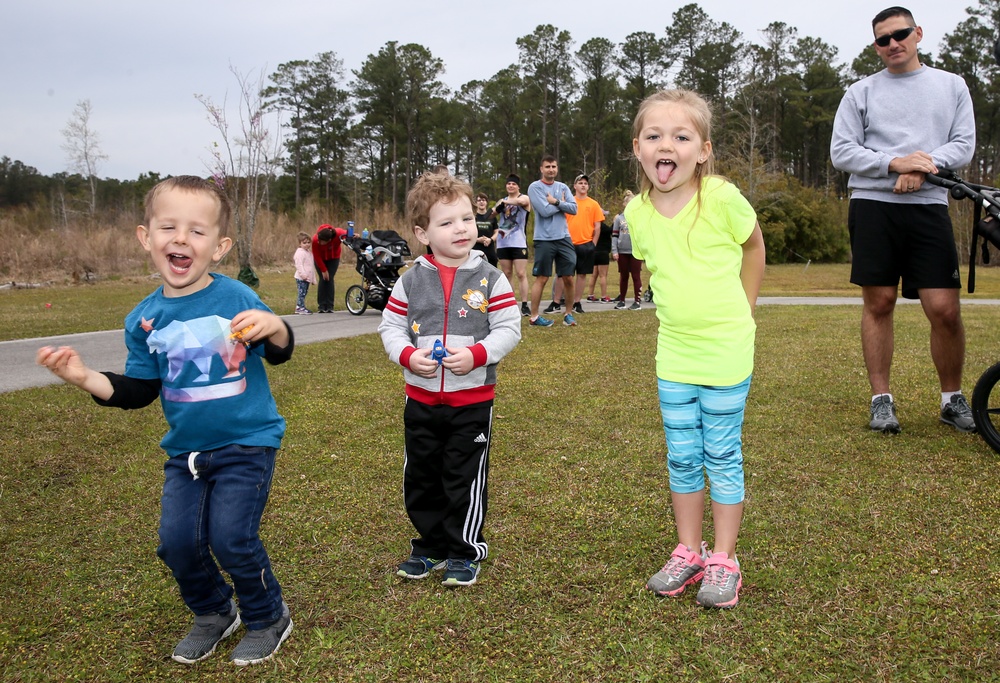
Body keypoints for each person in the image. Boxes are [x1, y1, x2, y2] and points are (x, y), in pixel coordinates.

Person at [35, 175, 295, 664]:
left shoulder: (237, 297)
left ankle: (267, 616)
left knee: (232, 538)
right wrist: (84, 376)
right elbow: (138, 391)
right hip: (186, 453)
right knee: (176, 544)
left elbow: (279, 352)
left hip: (246, 442)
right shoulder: (142, 318)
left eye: (197, 231)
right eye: (169, 227)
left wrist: (276, 326)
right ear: (145, 236)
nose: (181, 238)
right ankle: (214, 612)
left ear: (219, 248)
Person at [627, 90, 765, 609]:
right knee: (682, 457)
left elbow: (754, 247)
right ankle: (688, 551)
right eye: (655, 136)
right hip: (675, 354)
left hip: (727, 351)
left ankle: (724, 560)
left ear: (702, 150)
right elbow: (655, 268)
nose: (668, 146)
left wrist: (746, 310)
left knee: (722, 454)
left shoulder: (723, 197)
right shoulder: (636, 213)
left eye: (681, 137)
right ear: (638, 147)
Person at [830, 6, 976, 434]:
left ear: (918, 34)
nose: (893, 44)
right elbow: (842, 152)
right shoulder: (861, 92)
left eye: (901, 34)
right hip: (874, 205)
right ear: (875, 46)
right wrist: (896, 163)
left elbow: (963, 144)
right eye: (882, 39)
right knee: (880, 303)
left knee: (944, 309)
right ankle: (882, 402)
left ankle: (952, 400)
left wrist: (921, 168)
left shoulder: (951, 86)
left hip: (929, 206)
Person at [378, 171, 521, 588]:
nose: (461, 228)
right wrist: (407, 355)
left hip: (471, 401)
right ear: (423, 233)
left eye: (465, 218)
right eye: (447, 222)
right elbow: (390, 327)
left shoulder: (491, 277)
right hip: (420, 400)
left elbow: (509, 328)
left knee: (464, 477)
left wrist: (477, 354)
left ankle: (464, 551)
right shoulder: (410, 280)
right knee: (421, 475)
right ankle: (430, 546)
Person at [527, 155, 578, 327]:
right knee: (542, 278)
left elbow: (574, 209)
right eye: (547, 166)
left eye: (554, 166)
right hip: (544, 239)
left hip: (564, 237)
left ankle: (568, 314)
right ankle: (534, 316)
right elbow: (544, 210)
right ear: (541, 169)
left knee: (569, 277)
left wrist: (555, 201)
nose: (551, 169)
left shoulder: (562, 187)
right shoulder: (535, 187)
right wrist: (561, 204)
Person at [556, 174, 604, 315]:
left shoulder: (593, 204)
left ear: (588, 187)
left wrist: (593, 244)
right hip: (567, 243)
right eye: (580, 183)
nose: (583, 185)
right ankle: (557, 302)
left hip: (586, 244)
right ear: (575, 186)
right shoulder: (569, 203)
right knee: (563, 274)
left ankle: (577, 302)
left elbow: (597, 226)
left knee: (582, 274)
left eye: (585, 183)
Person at [494, 173, 533, 317]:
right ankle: (511, 304)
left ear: (518, 186)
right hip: (503, 242)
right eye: (509, 184)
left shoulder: (524, 198)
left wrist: (505, 203)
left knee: (521, 273)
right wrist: (496, 208)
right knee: (507, 274)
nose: (511, 186)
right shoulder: (502, 200)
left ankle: (524, 304)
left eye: (513, 184)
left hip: (519, 242)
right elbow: (491, 214)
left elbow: (522, 203)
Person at [612, 190, 643, 310]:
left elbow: (643, 236)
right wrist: (614, 251)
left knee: (636, 276)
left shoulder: (639, 218)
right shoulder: (619, 219)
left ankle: (637, 301)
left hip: (635, 252)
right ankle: (622, 301)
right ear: (624, 204)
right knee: (624, 276)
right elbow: (614, 236)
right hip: (622, 252)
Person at [312, 224, 347, 313]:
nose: (319, 242)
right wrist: (323, 270)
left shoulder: (338, 233)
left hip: (333, 258)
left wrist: (354, 235)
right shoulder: (315, 240)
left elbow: (348, 234)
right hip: (320, 259)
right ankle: (322, 305)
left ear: (329, 240)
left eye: (322, 241)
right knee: (323, 279)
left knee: (330, 278)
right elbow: (316, 256)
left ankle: (330, 305)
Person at [585, 208, 614, 303]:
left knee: (593, 275)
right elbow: (611, 231)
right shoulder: (602, 226)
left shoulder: (591, 226)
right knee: (603, 275)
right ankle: (604, 296)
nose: (604, 216)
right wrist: (615, 222)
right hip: (602, 252)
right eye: (603, 215)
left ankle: (590, 294)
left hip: (594, 252)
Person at [473, 193, 499, 267]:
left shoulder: (491, 216)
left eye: (483, 200)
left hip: (490, 249)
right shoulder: (473, 216)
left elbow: (496, 231)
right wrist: (478, 240)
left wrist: (490, 240)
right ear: (476, 203)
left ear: (486, 202)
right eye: (479, 200)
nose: (481, 202)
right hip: (476, 249)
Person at [293, 231, 316, 315]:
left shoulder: (309, 253)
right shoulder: (300, 253)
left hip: (307, 277)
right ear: (300, 244)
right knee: (301, 292)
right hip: (301, 277)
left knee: (304, 292)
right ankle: (300, 307)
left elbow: (311, 267)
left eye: (308, 242)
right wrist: (303, 275)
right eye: (304, 243)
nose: (307, 244)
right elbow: (299, 265)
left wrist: (313, 279)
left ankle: (301, 306)